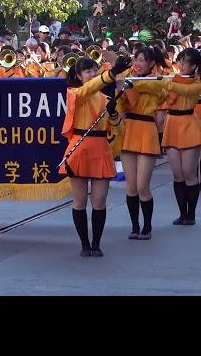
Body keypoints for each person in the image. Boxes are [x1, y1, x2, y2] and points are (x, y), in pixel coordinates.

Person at [60, 55, 131, 257]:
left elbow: (118, 131)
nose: (92, 74)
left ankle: (96, 243)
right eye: (87, 71)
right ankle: (84, 244)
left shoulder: (108, 100)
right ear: (79, 76)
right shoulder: (75, 94)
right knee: (80, 201)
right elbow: (88, 89)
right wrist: (111, 74)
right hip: (80, 148)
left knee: (99, 201)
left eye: (94, 70)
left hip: (100, 149)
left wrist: (115, 116)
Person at [118, 46, 169, 240]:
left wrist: (129, 83)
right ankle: (135, 226)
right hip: (129, 129)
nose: (138, 63)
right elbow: (122, 103)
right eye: (136, 59)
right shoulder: (128, 78)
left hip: (147, 130)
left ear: (151, 63)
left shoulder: (157, 81)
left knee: (142, 186)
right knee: (130, 186)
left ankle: (147, 226)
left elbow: (151, 87)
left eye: (142, 60)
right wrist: (122, 91)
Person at [157, 48, 201, 225]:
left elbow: (186, 91)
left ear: (195, 66)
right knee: (177, 174)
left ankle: (191, 215)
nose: (182, 65)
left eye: (186, 62)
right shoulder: (173, 79)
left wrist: (168, 83)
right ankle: (182, 213)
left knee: (190, 173)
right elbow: (162, 98)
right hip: (172, 124)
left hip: (189, 124)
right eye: (181, 61)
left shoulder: (196, 83)